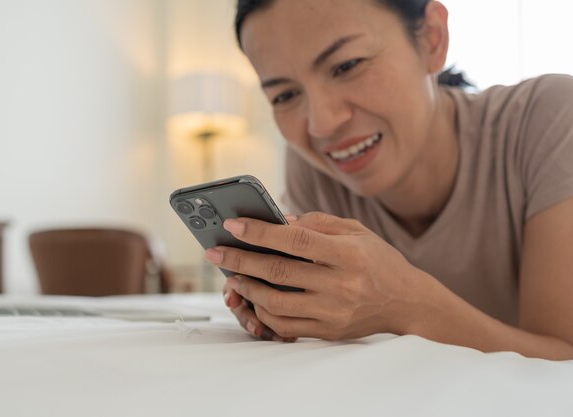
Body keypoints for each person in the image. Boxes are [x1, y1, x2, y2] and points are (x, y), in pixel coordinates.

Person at [203, 0, 573, 360]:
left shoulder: (551, 120)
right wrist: (285, 307)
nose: (322, 125)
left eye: (347, 65)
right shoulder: (315, 168)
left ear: (432, 37)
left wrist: (408, 306)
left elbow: (564, 360)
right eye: (284, 95)